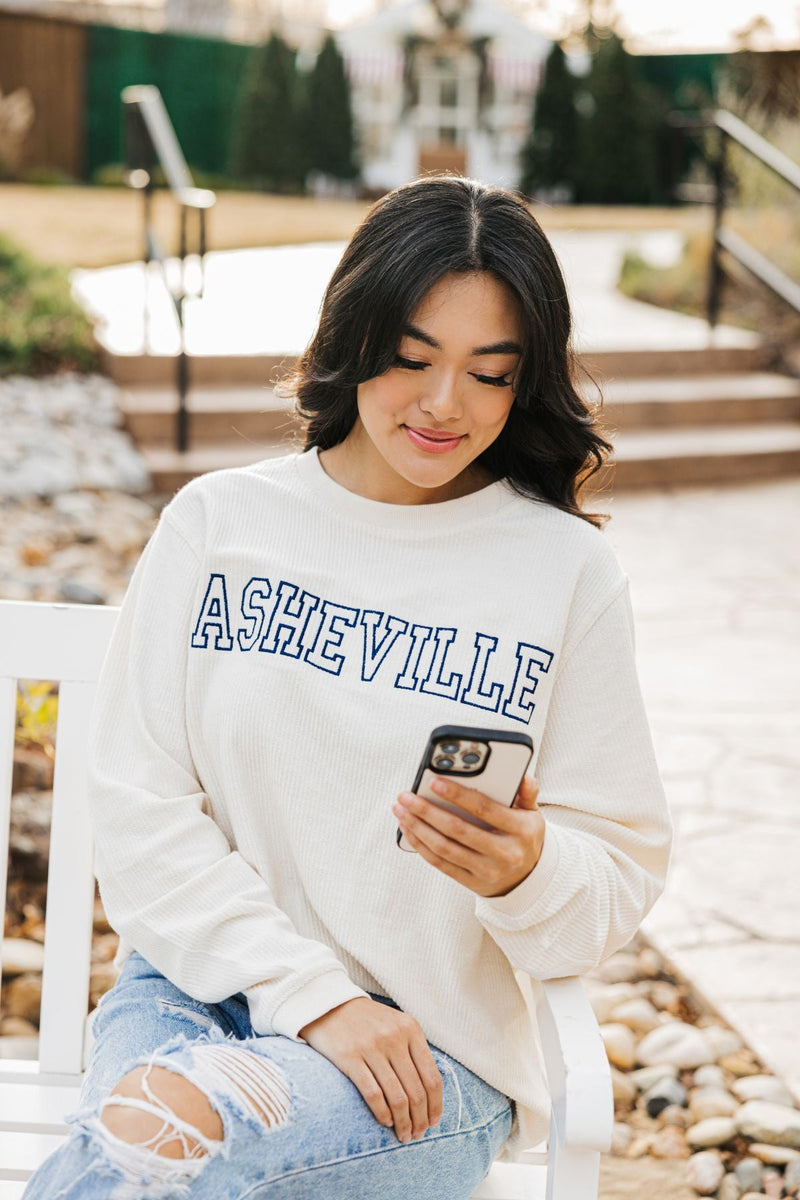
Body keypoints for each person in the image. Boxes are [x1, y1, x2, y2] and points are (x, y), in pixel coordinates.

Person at [24, 175, 672, 1200]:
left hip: (426, 1056)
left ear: (526, 381)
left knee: (157, 1135)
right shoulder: (219, 526)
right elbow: (140, 806)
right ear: (351, 336)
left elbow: (612, 884)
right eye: (410, 359)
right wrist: (311, 997)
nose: (442, 404)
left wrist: (524, 870)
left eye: (489, 374)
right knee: (161, 1133)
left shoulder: (562, 575)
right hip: (196, 991)